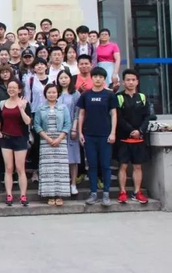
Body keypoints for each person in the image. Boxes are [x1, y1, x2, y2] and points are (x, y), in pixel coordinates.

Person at [77, 67, 117, 206]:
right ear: (91, 78)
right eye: (95, 76)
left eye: (100, 77)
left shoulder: (109, 95)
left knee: (105, 165)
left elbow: (114, 114)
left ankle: (106, 194)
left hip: (105, 135)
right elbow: (81, 114)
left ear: (104, 79)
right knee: (92, 165)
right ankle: (93, 193)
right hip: (89, 135)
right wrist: (80, 132)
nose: (98, 79)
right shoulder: (85, 95)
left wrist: (113, 132)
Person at [116, 69, 152, 204]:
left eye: (133, 80)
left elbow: (147, 116)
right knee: (123, 166)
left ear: (137, 82)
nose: (130, 82)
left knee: (137, 167)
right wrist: (131, 131)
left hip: (139, 139)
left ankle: (137, 192)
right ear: (123, 82)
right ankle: (122, 192)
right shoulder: (118, 97)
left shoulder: (142, 97)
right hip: (123, 138)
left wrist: (140, 131)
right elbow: (118, 118)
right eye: (128, 80)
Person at [0, 80, 32, 206]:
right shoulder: (2, 103)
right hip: (6, 138)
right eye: (9, 87)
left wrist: (21, 108)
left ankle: (23, 195)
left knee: (20, 168)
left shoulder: (24, 103)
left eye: (14, 88)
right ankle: (9, 195)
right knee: (9, 168)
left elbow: (28, 121)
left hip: (20, 138)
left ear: (19, 89)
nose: (11, 90)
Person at [34, 83, 72, 206]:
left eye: (54, 92)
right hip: (46, 141)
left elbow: (68, 124)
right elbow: (37, 125)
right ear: (45, 94)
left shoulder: (63, 108)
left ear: (58, 93)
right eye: (49, 92)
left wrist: (59, 138)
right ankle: (49, 194)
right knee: (48, 170)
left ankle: (60, 195)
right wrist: (48, 139)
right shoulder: (40, 108)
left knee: (60, 169)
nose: (51, 94)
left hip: (60, 140)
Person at [56, 70, 82, 195]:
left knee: (73, 157)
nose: (63, 80)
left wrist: (74, 128)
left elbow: (78, 112)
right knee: (59, 157)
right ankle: (62, 183)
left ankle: (73, 184)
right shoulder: (55, 92)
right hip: (57, 129)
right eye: (61, 78)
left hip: (71, 127)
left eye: (66, 77)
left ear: (70, 79)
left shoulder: (75, 94)